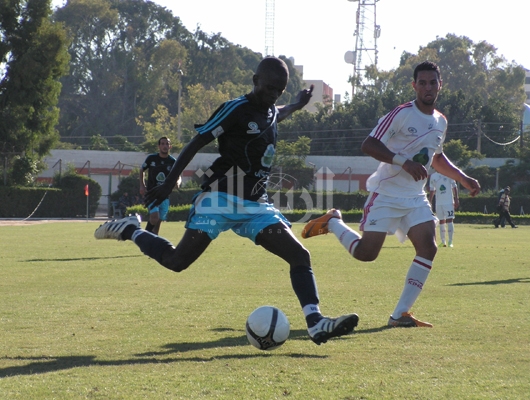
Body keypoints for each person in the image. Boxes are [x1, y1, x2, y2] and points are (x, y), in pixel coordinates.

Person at [95, 57, 358, 345]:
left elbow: (277, 113)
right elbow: (196, 142)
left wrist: (296, 104)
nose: (273, 95)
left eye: (279, 91)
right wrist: (169, 183)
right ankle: (130, 229)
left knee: (300, 256)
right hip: (219, 200)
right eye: (269, 88)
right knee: (176, 261)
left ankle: (316, 322)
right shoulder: (235, 109)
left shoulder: (270, 109)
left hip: (256, 207)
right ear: (255, 80)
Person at [302, 61, 481, 328]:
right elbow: (369, 144)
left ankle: (400, 314)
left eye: (433, 82)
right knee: (366, 253)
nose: (428, 87)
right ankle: (333, 222)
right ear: (414, 86)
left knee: (428, 247)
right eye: (422, 83)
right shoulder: (401, 113)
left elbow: (437, 157)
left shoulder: (440, 121)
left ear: (440, 85)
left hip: (414, 197)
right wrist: (403, 162)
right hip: (385, 194)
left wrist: (463, 178)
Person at [140, 137, 177, 235]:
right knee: (154, 217)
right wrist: (142, 185)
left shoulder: (173, 161)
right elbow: (142, 170)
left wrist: (178, 182)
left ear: (170, 146)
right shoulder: (151, 158)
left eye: (167, 144)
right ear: (159, 146)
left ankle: (152, 242)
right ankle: (143, 236)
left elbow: (179, 174)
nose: (165, 146)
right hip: (152, 193)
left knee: (157, 223)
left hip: (165, 195)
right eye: (162, 144)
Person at [429, 171, 459, 247]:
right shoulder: (433, 176)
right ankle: (443, 241)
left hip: (448, 202)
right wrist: (430, 201)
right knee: (441, 221)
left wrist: (456, 199)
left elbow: (454, 186)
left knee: (450, 219)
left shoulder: (449, 173)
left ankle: (450, 241)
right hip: (439, 203)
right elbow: (432, 189)